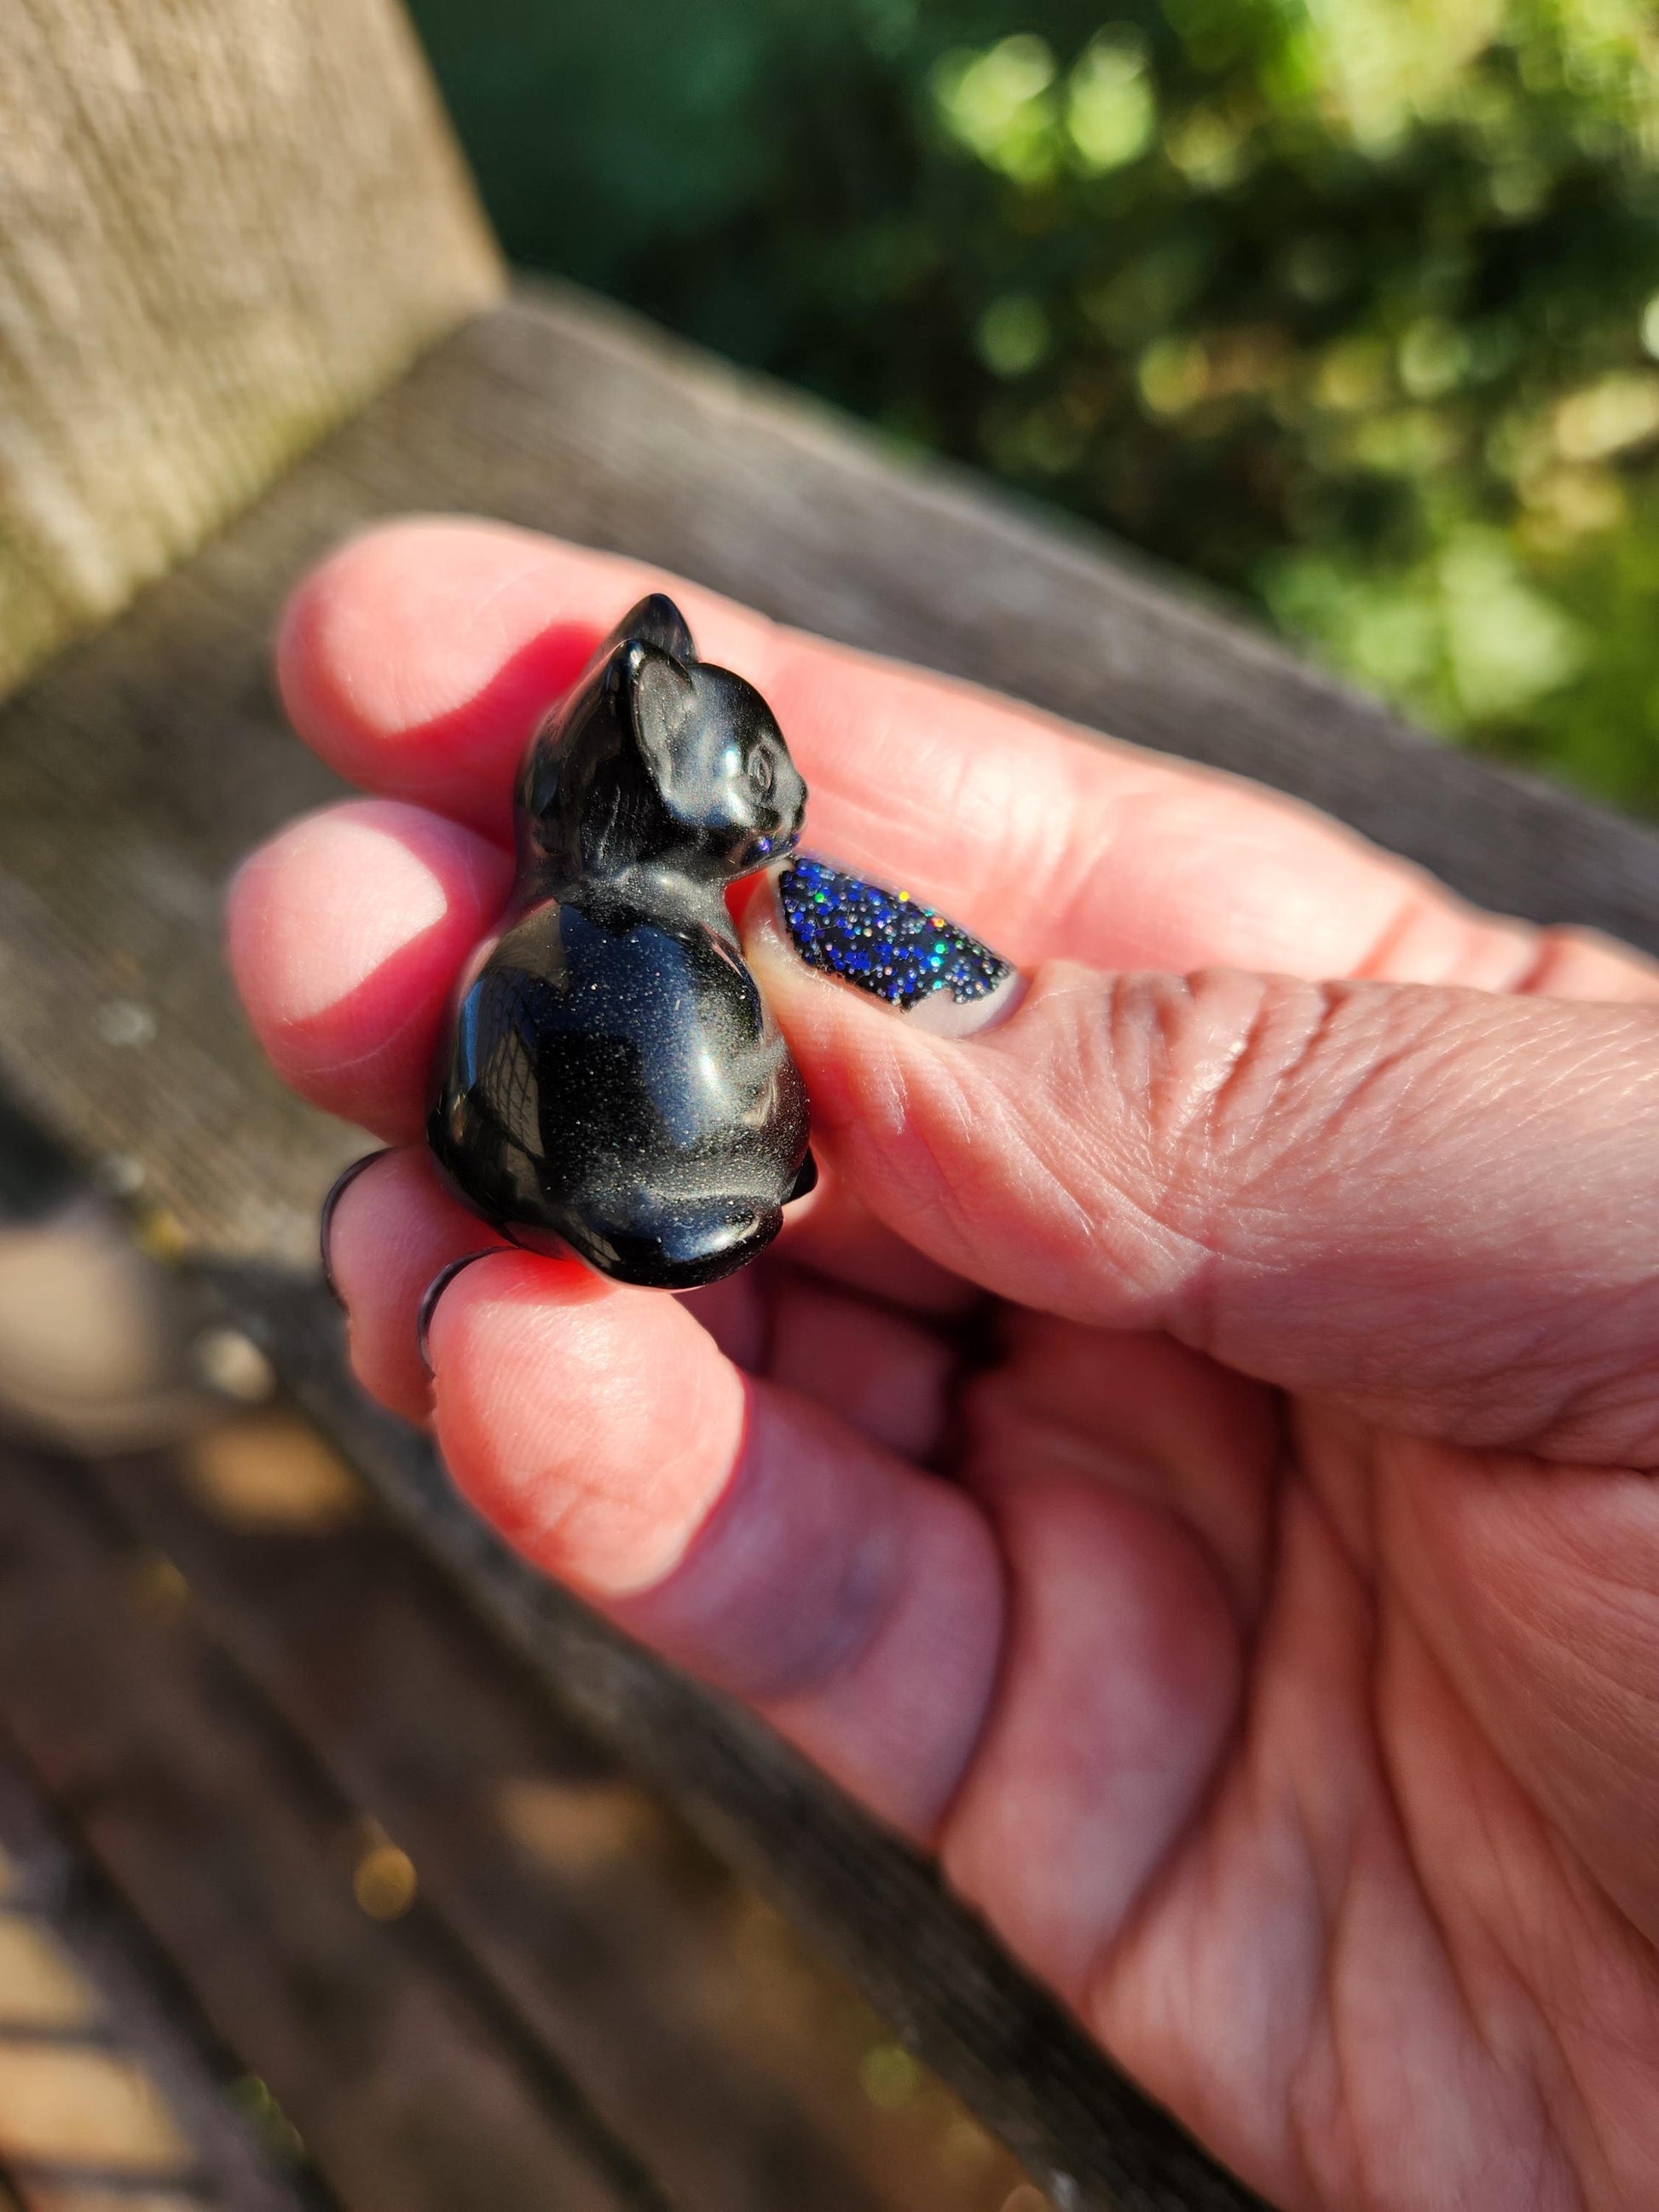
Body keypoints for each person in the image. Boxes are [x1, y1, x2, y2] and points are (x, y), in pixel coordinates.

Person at [228, 517, 1659, 2212]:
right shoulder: (595, 935)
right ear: (653, 764)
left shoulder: (599, 926)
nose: (780, 820)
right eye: (745, 780)